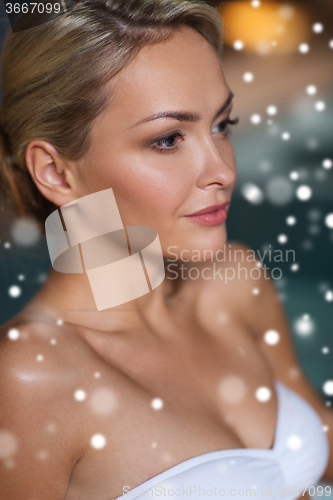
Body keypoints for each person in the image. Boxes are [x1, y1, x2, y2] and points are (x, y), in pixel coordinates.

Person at [0, 1, 332, 499]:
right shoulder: (27, 377)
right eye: (168, 139)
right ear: (56, 172)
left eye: (222, 125)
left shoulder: (234, 283)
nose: (221, 169)